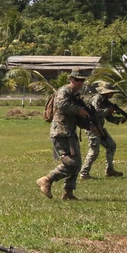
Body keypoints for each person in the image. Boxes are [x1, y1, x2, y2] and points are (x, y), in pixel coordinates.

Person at [37, 68, 97, 201]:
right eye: (77, 80)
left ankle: (68, 192)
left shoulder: (76, 95)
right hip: (61, 132)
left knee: (77, 163)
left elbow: (78, 118)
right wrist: (79, 110)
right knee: (71, 163)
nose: (80, 83)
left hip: (69, 132)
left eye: (82, 80)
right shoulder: (64, 91)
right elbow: (62, 105)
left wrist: (89, 125)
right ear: (71, 79)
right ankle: (47, 179)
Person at [79, 84, 126, 180]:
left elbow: (108, 118)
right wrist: (108, 110)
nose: (112, 94)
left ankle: (109, 169)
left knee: (111, 146)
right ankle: (84, 173)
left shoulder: (105, 101)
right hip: (92, 128)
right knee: (94, 151)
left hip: (100, 128)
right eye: (111, 92)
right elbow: (96, 112)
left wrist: (119, 119)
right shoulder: (97, 98)